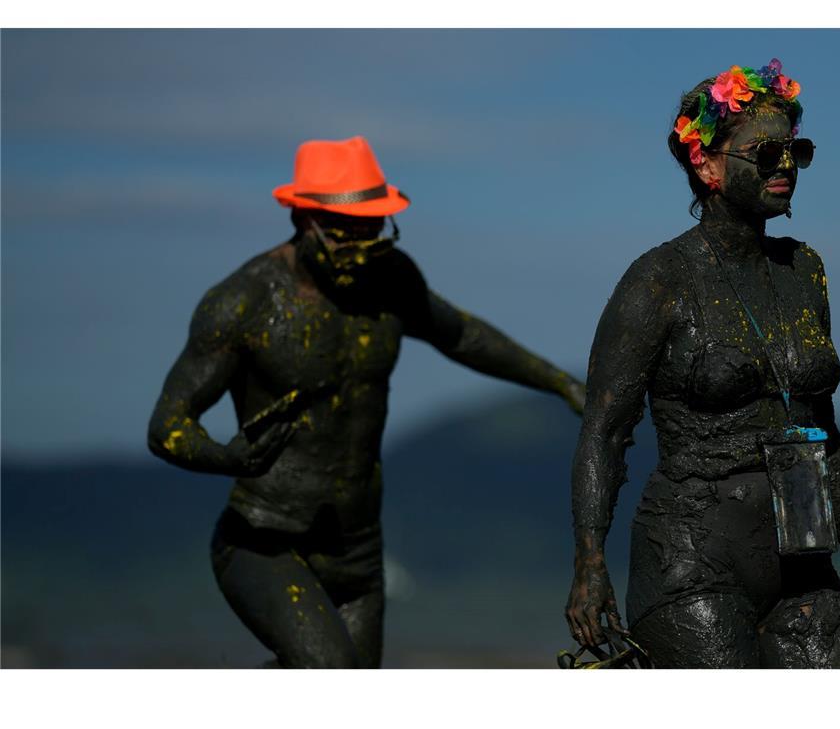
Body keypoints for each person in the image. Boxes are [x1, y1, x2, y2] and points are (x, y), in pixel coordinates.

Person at [148, 136, 586, 668]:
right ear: (302, 219)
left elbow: (463, 335)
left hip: (356, 551)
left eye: (371, 230)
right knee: (331, 677)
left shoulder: (391, 278)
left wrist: (561, 383)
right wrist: (226, 458)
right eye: (343, 232)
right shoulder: (244, 302)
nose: (359, 245)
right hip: (266, 542)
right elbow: (168, 425)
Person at [564, 62, 840, 668]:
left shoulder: (806, 270)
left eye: (797, 150)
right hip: (692, 561)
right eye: (766, 153)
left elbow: (826, 432)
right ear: (707, 165)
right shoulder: (659, 279)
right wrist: (590, 565)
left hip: (805, 556)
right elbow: (605, 431)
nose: (786, 165)